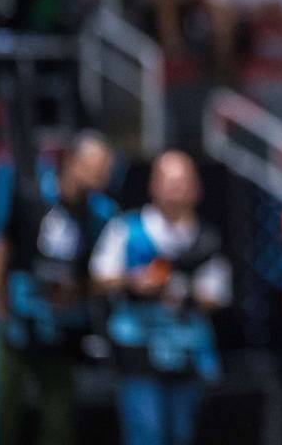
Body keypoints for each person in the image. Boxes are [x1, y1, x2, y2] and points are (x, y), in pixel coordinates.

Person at [90, 150, 232, 445]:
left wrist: (185, 294)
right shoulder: (127, 229)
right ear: (153, 185)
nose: (175, 188)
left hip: (186, 348)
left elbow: (218, 294)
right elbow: (98, 277)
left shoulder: (206, 238)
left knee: (182, 432)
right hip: (138, 346)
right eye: (168, 180)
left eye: (182, 181)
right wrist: (134, 280)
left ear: (197, 188)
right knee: (147, 431)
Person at [0, 130, 117, 445]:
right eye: (96, 167)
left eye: (106, 169)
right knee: (3, 414)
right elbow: (0, 246)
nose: (102, 176)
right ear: (72, 161)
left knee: (58, 421)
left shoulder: (103, 215)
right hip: (18, 322)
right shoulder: (32, 196)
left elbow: (106, 273)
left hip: (64, 330)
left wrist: (78, 291)